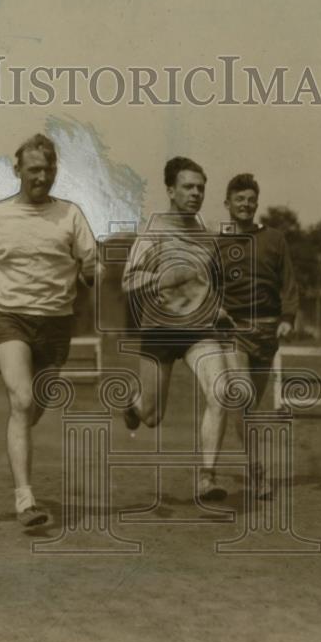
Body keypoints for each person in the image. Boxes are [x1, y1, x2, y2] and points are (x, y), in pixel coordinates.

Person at [0, 134, 97, 528]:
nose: (42, 176)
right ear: (17, 170)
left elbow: (91, 262)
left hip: (56, 322)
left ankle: (7, 365)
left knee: (35, 407)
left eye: (48, 169)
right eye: (34, 169)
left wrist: (90, 272)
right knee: (20, 402)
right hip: (9, 315)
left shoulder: (70, 215)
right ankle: (25, 500)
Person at [121, 156, 236, 501]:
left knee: (221, 392)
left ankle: (206, 477)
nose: (196, 193)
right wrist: (161, 278)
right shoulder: (151, 231)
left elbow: (206, 284)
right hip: (159, 331)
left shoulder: (207, 236)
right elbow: (128, 282)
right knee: (153, 417)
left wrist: (219, 310)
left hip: (199, 331)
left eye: (201, 188)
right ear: (171, 190)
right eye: (188, 187)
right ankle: (135, 405)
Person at [216, 173, 299, 497]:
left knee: (250, 407)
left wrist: (288, 317)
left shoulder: (275, 239)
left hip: (267, 329)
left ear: (256, 203)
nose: (246, 204)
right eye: (239, 199)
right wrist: (214, 309)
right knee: (243, 397)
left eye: (251, 199)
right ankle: (257, 471)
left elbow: (289, 282)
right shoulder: (218, 242)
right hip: (233, 329)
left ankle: (252, 469)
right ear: (228, 204)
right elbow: (206, 286)